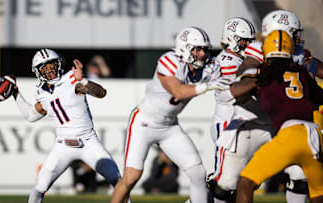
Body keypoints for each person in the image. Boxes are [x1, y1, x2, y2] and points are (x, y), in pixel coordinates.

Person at [110, 27, 230, 203]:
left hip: (169, 126)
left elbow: (226, 91)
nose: (203, 54)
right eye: (198, 49)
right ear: (184, 48)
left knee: (198, 173)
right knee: (131, 177)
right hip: (144, 123)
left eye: (205, 49)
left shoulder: (210, 67)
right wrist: (206, 86)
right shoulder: (169, 61)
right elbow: (178, 92)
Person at [11, 48, 126, 203]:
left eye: (52, 66)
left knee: (118, 181)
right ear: (38, 71)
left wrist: (82, 80)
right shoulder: (41, 92)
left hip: (88, 141)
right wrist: (16, 94)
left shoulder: (72, 79)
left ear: (59, 64)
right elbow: (31, 115)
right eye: (45, 68)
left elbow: (101, 93)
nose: (50, 70)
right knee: (40, 187)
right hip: (63, 145)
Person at [235, 30, 323, 203]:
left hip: (290, 134)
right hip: (315, 136)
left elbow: (237, 92)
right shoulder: (302, 73)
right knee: (318, 195)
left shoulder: (263, 72)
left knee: (246, 182)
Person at [208, 17, 274, 203]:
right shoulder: (229, 60)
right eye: (243, 40)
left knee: (238, 183)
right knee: (224, 185)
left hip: (240, 124)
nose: (247, 44)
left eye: (250, 40)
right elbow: (239, 88)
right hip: (228, 124)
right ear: (230, 38)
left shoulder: (240, 59)